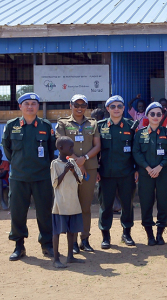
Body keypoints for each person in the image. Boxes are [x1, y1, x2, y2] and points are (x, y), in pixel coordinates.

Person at [1, 93, 56, 261]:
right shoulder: (12, 126)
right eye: (27, 104)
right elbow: (8, 150)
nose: (30, 106)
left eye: (34, 103)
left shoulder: (46, 126)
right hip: (19, 177)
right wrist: (18, 164)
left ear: (38, 106)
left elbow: (51, 150)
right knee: (17, 212)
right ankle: (19, 245)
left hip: (42, 177)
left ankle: (47, 245)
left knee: (45, 212)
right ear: (20, 106)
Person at [55, 94, 101, 253]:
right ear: (71, 105)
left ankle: (85, 239)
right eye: (77, 105)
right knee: (71, 205)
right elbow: (60, 144)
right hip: (69, 169)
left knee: (86, 206)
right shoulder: (62, 123)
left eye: (83, 105)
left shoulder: (93, 124)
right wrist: (76, 161)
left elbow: (97, 145)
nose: (79, 108)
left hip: (89, 168)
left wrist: (84, 159)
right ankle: (72, 241)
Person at [133, 102, 167, 246]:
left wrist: (159, 167)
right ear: (147, 115)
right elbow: (136, 153)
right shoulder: (140, 134)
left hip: (162, 173)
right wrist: (147, 168)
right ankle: (149, 235)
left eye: (159, 114)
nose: (155, 117)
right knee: (146, 203)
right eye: (152, 114)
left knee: (164, 203)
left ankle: (160, 233)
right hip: (145, 174)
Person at [97, 95, 137, 249]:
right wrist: (96, 171)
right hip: (106, 174)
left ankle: (126, 233)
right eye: (112, 106)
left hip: (126, 173)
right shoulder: (100, 126)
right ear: (107, 109)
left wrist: (136, 169)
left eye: (119, 106)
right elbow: (96, 149)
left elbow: (136, 150)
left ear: (123, 109)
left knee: (127, 204)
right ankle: (105, 236)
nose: (116, 109)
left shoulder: (131, 126)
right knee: (105, 205)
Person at [50, 136, 85, 268]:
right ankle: (56, 259)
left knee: (72, 231)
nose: (72, 149)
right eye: (70, 147)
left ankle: (70, 256)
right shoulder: (55, 163)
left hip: (73, 202)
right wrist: (65, 171)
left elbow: (79, 179)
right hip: (61, 203)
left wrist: (72, 170)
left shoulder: (72, 162)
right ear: (60, 148)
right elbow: (55, 183)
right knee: (57, 232)